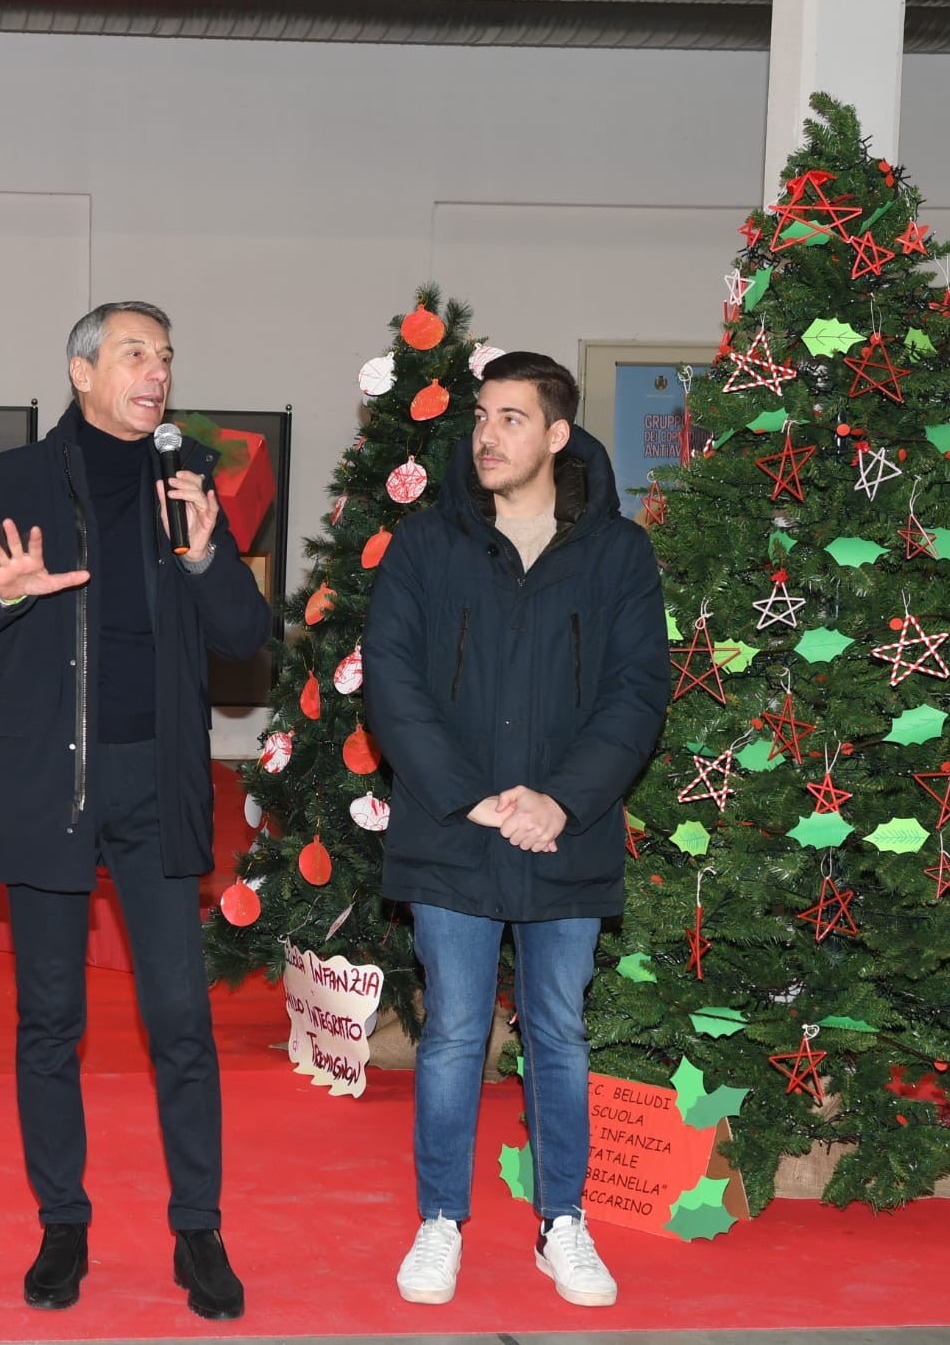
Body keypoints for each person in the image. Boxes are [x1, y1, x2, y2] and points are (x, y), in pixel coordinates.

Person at [0, 302, 271, 1321]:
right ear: (81, 372)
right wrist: (8, 593)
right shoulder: (13, 481)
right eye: (133, 353)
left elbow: (246, 637)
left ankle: (198, 1229)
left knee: (180, 1019)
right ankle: (61, 1223)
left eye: (164, 356)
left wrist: (204, 557)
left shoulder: (189, 477)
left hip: (157, 782)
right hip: (48, 782)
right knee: (49, 1018)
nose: (155, 371)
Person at [362, 351, 668, 1310]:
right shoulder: (427, 544)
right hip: (453, 830)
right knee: (455, 1031)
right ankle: (440, 1220)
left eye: (511, 418)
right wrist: (472, 797)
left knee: (561, 1032)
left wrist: (562, 801)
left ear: (557, 435)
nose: (487, 436)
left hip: (564, 834)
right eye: (482, 417)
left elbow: (636, 693)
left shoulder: (618, 553)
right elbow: (392, 680)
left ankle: (561, 1222)